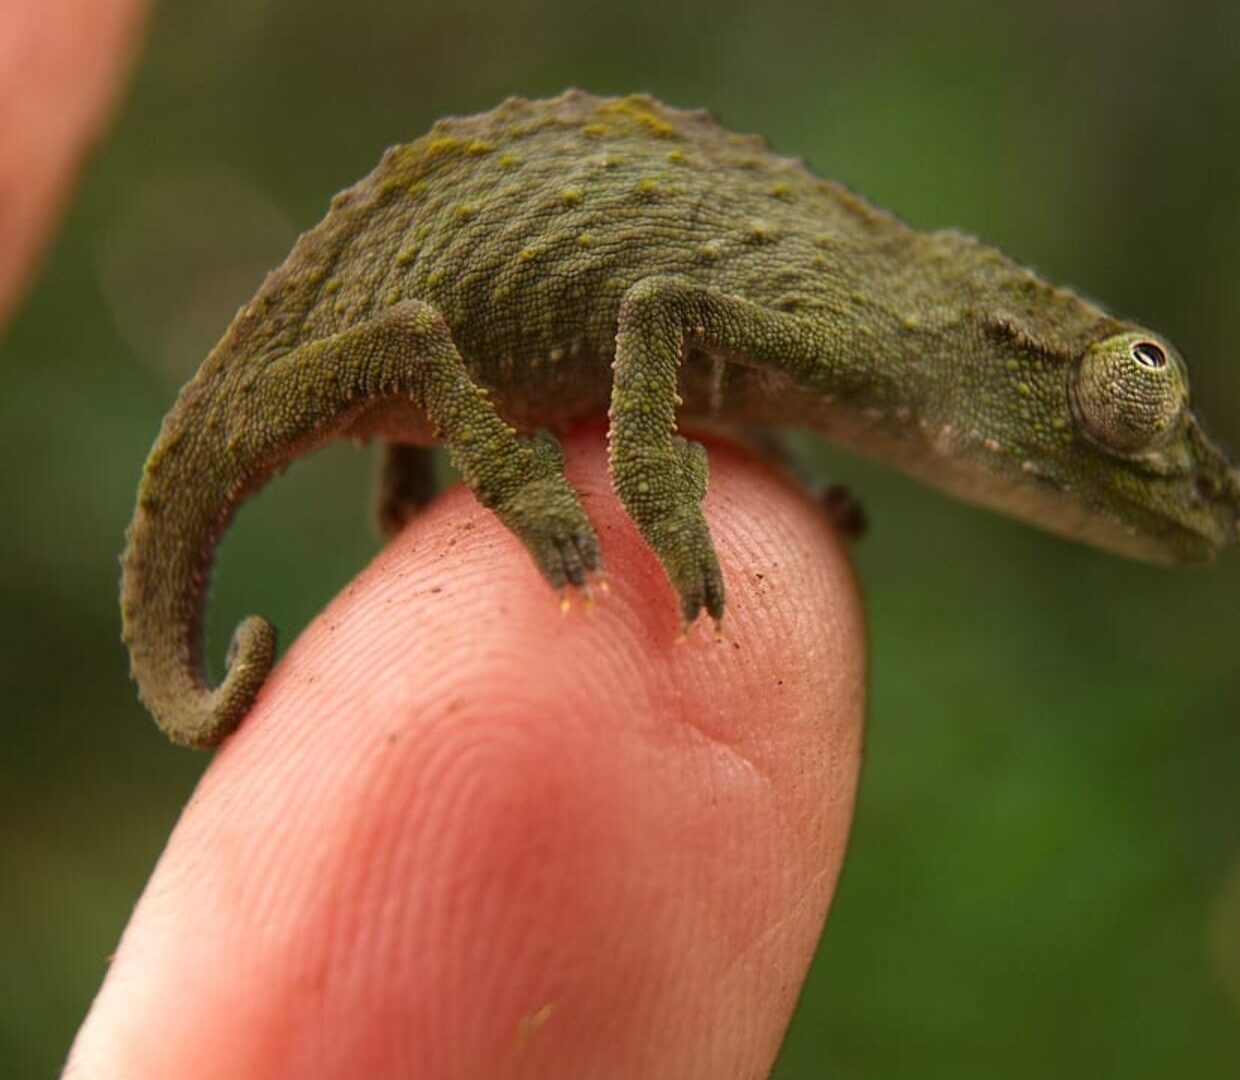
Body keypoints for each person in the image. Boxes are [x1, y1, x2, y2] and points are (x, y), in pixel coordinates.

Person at [5, 6, 866, 1075]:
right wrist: (511, 479)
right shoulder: (294, 380)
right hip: (405, 316)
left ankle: (426, 458)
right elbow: (408, 340)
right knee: (409, 345)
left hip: (449, 288)